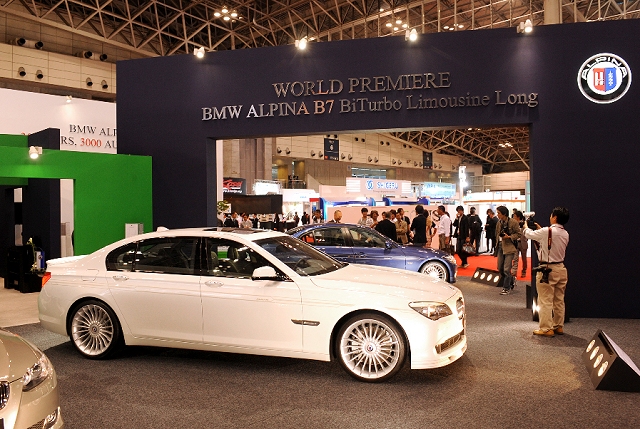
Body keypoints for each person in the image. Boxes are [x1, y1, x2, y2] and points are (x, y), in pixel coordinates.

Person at [523, 207, 570, 337]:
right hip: (561, 268)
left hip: (547, 270)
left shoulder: (546, 231)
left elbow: (528, 234)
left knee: (545, 300)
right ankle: (558, 326)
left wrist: (526, 226)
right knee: (559, 299)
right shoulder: (565, 233)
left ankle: (546, 328)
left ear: (554, 217)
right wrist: (541, 230)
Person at [495, 205, 521, 295]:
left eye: (498, 213)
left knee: (506, 269)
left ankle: (506, 288)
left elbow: (519, 234)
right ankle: (511, 280)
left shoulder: (513, 222)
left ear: (504, 214)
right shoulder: (499, 223)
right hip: (500, 246)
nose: (497, 215)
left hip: (510, 247)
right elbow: (497, 234)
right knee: (500, 268)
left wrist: (509, 237)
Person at [513, 211, 529, 278]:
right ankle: (514, 272)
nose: (513, 217)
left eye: (514, 216)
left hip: (523, 243)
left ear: (518, 217)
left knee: (524, 259)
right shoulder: (513, 224)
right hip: (516, 243)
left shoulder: (524, 223)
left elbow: (527, 232)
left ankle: (524, 271)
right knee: (515, 259)